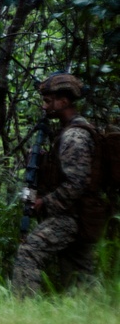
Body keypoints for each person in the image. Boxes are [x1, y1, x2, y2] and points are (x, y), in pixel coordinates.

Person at [12, 73, 108, 296]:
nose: (44, 107)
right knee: (78, 278)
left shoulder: (74, 136)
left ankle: (24, 309)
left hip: (73, 216)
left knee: (29, 251)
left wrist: (44, 203)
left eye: (48, 101)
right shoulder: (69, 131)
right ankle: (89, 312)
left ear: (63, 102)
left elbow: (76, 183)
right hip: (79, 214)